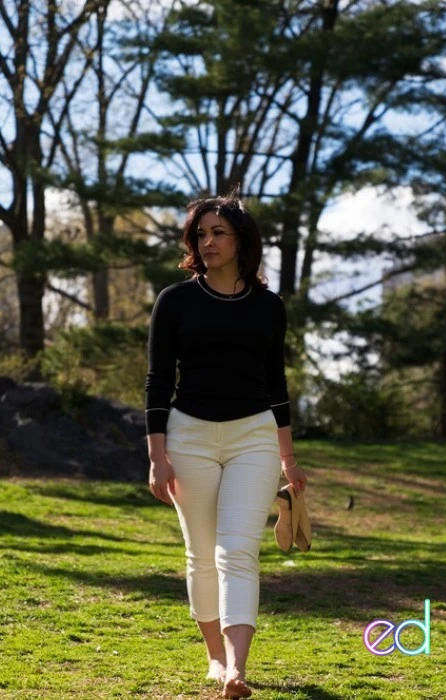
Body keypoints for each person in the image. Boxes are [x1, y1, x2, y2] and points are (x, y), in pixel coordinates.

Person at [144, 195, 307, 699]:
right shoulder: (174, 301)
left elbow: (276, 385)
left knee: (237, 551)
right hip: (188, 437)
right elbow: (157, 382)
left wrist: (288, 458)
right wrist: (156, 456)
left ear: (242, 241)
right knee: (201, 553)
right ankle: (215, 657)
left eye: (218, 232)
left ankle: (237, 668)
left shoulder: (268, 306)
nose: (207, 242)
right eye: (201, 234)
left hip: (253, 438)